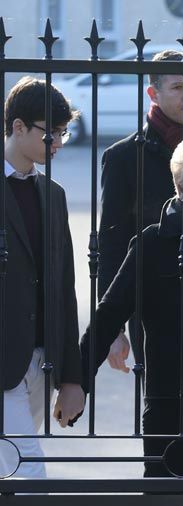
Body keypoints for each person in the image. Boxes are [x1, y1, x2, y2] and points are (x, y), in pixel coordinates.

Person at [81, 131, 183, 477]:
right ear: (181, 189)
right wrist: (77, 381)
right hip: (169, 402)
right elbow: (110, 312)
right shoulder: (152, 243)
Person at [98, 49, 183, 375]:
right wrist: (112, 327)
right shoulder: (124, 157)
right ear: (154, 92)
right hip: (152, 303)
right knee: (161, 408)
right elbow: (112, 243)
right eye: (179, 88)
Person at [0, 77, 84, 480]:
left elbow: (63, 288)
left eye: (63, 133)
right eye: (50, 133)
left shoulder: (54, 195)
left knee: (9, 475)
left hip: (39, 362)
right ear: (18, 127)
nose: (59, 143)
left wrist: (71, 377)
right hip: (4, 364)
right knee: (29, 475)